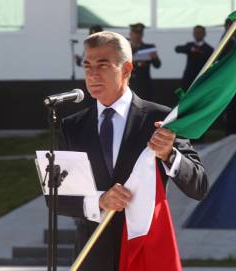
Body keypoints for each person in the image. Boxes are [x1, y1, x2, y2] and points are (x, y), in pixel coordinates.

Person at [56, 31, 208, 270]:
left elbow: (199, 186)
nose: (92, 75)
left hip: (145, 252)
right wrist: (101, 200)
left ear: (126, 69)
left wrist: (169, 154)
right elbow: (58, 198)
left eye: (102, 65)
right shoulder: (72, 126)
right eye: (87, 66)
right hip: (92, 256)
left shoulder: (161, 120)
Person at [129, 23, 161, 101]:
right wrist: (135, 61)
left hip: (145, 84)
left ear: (142, 35)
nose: (137, 36)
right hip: (130, 84)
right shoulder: (126, 48)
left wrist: (154, 58)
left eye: (139, 34)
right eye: (135, 33)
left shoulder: (149, 47)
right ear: (130, 34)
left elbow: (157, 65)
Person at [175, 25, 213, 90]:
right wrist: (190, 50)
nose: (197, 34)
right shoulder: (190, 45)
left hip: (201, 78)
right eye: (195, 33)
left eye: (199, 33)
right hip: (188, 78)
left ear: (204, 34)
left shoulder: (209, 49)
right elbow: (177, 49)